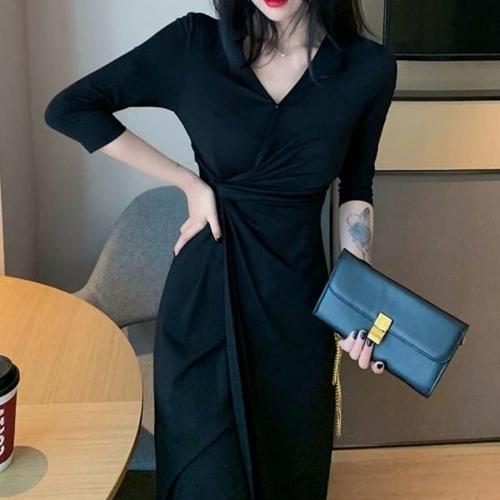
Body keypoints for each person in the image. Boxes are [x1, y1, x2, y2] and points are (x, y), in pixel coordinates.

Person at [44, 1, 397, 498]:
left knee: (290, 474)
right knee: (207, 482)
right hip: (204, 303)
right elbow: (71, 108)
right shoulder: (194, 45)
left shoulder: (368, 68)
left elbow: (356, 187)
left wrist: (356, 301)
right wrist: (188, 182)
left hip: (295, 308)